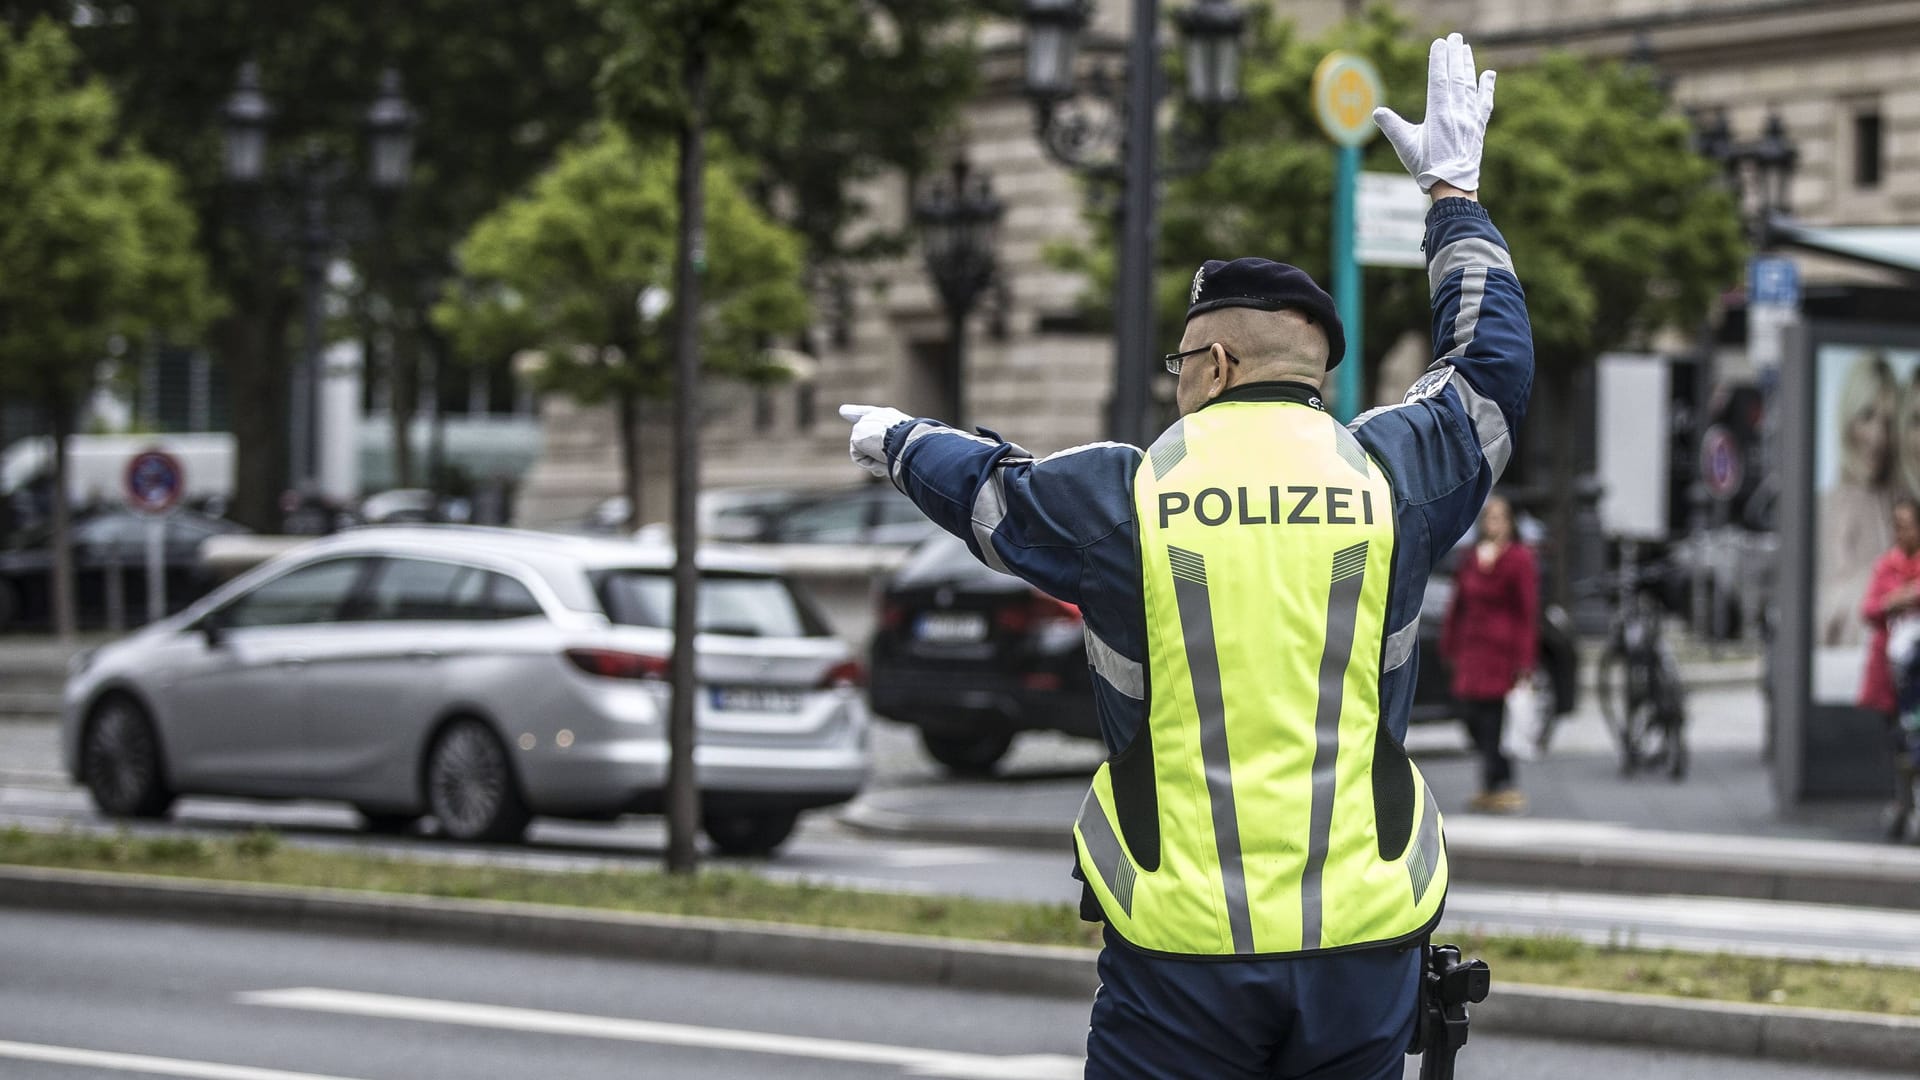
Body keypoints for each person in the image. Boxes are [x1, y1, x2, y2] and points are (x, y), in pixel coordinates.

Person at [839, 34, 1528, 1079]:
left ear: (1214, 361)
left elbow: (993, 493)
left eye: (1180, 362)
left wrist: (896, 441)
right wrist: (1453, 195)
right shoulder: (1389, 477)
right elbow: (1488, 370)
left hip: (1180, 944)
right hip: (1362, 934)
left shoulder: (1132, 491)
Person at [1440, 494, 1537, 813]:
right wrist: (1449, 643)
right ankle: (1492, 781)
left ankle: (1498, 782)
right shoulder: (1470, 557)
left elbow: (1526, 612)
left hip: (1502, 652)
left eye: (1498, 517)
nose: (1492, 524)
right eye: (1488, 518)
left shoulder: (1519, 559)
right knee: (1471, 715)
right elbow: (1458, 603)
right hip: (1472, 650)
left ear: (1509, 523)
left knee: (1497, 720)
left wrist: (1525, 660)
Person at [1819, 353, 1897, 647]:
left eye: (1888, 422)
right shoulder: (1828, 506)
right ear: (1848, 418)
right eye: (1867, 416)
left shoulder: (1897, 501)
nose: (1878, 437)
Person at [1859, 498, 1920, 840]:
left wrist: (1907, 595)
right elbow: (1869, 608)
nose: (1901, 532)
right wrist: (1896, 599)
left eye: (1907, 524)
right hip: (1894, 675)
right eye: (1896, 525)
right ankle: (1903, 804)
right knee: (1899, 743)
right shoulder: (1887, 566)